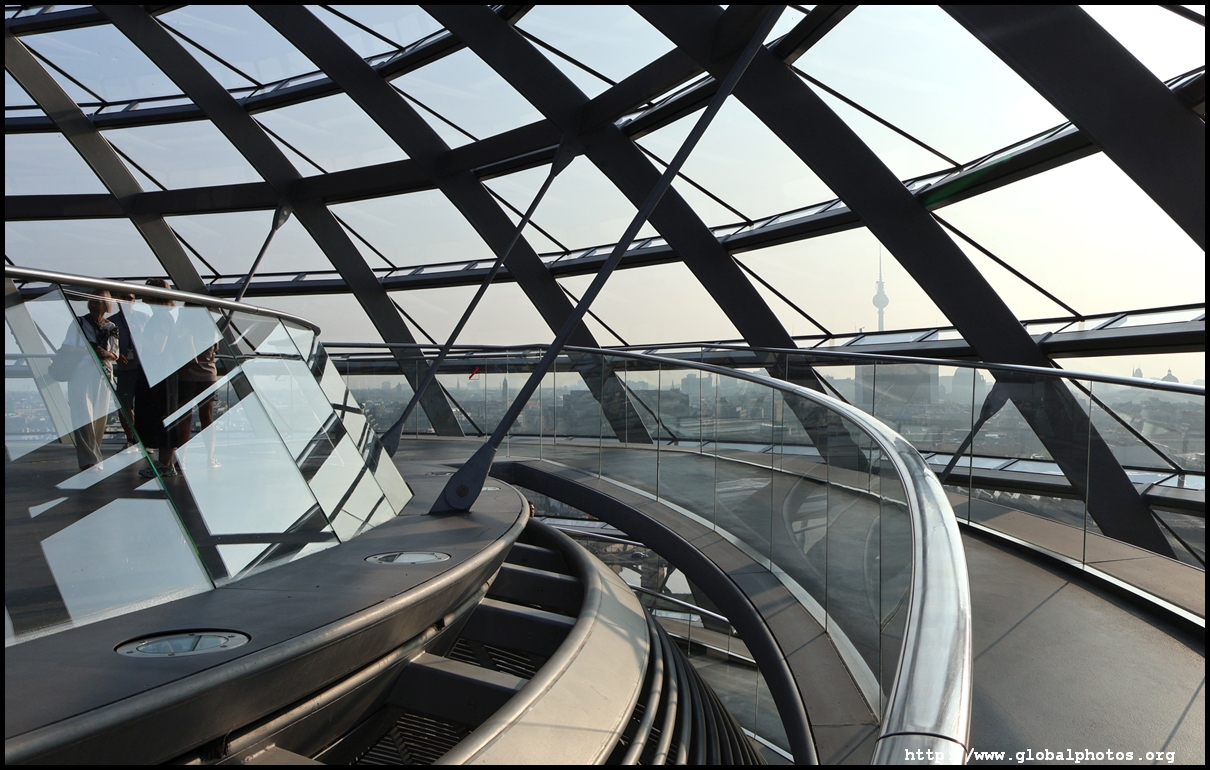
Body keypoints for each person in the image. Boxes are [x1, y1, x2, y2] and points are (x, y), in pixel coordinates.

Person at [64, 289, 119, 469]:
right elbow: (67, 347)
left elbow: (115, 354)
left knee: (99, 416)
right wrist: (90, 351)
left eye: (98, 302)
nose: (95, 305)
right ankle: (90, 459)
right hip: (81, 372)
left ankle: (93, 456)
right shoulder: (79, 323)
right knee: (84, 415)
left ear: (106, 304)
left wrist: (105, 353)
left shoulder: (111, 327)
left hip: (103, 374)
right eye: (93, 301)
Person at [135, 279, 183, 478]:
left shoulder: (160, 318)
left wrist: (138, 335)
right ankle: (165, 463)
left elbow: (157, 348)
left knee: (162, 414)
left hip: (159, 373)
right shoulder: (164, 317)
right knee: (165, 414)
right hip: (164, 372)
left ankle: (165, 464)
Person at [175, 310, 221, 468]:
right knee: (207, 417)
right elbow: (215, 349)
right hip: (208, 376)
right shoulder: (211, 329)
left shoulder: (183, 326)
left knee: (184, 418)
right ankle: (210, 457)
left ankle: (182, 459)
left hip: (186, 375)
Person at [109, 290, 144, 447]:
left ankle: (141, 440)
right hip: (125, 369)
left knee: (143, 406)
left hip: (142, 368)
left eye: (129, 298)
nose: (126, 301)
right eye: (123, 298)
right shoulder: (111, 322)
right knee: (124, 405)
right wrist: (117, 354)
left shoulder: (143, 318)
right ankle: (131, 439)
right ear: (117, 300)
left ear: (134, 301)